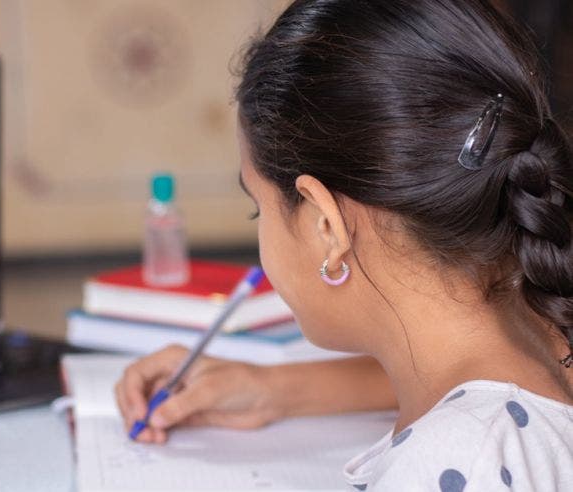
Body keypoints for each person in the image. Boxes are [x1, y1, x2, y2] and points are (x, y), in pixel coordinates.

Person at [114, 0, 573, 489]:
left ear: (325, 225)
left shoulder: (454, 458)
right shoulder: (548, 320)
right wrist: (273, 389)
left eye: (259, 209)